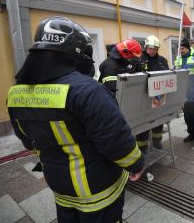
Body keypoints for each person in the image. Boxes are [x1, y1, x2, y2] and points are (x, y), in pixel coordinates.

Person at [7, 17, 144, 223]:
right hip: (98, 189)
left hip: (59, 184)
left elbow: (28, 140)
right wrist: (136, 164)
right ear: (77, 52)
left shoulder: (15, 93)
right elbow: (115, 139)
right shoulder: (88, 90)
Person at [136, 35, 169, 153]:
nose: (153, 51)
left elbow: (167, 76)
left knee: (158, 120)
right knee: (143, 123)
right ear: (145, 47)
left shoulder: (162, 60)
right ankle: (142, 146)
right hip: (143, 96)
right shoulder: (138, 60)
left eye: (155, 49)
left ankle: (157, 141)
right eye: (150, 48)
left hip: (158, 96)